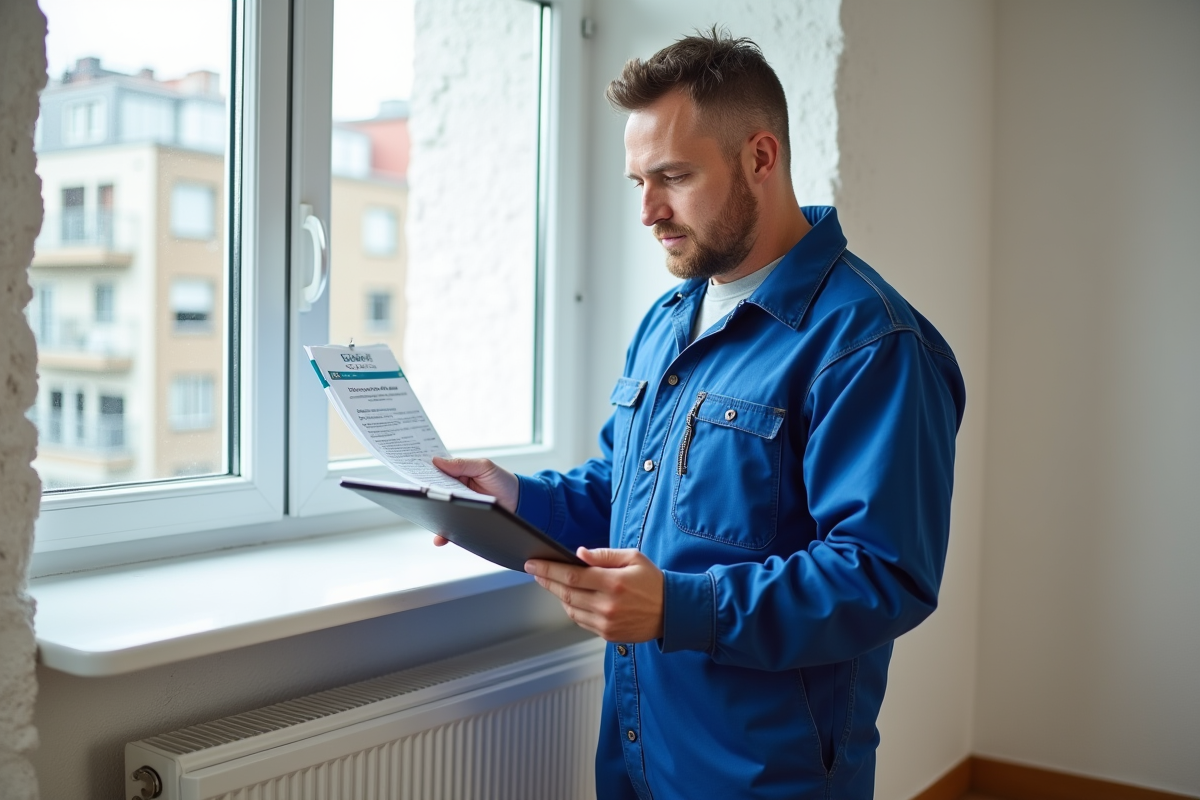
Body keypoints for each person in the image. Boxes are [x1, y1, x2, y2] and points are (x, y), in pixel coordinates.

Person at [433, 28, 966, 800]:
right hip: (639, 758)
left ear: (760, 157)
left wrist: (680, 608)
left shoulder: (869, 342)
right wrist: (510, 499)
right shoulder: (667, 321)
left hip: (766, 779)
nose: (648, 211)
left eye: (674, 177)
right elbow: (625, 493)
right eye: (638, 182)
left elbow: (882, 575)